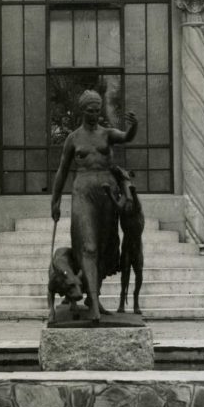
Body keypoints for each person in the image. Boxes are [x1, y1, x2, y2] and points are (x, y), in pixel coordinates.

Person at [50, 89, 138, 322]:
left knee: (105, 246)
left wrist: (133, 126)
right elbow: (62, 170)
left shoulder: (107, 134)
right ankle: (94, 304)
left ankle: (93, 298)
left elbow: (127, 137)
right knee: (88, 246)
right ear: (82, 111)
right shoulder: (73, 138)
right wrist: (55, 199)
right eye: (90, 110)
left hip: (106, 192)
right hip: (83, 192)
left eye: (97, 110)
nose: (94, 114)